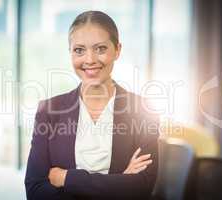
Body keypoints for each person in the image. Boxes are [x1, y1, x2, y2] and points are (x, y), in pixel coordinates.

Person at [25, 10, 159, 200]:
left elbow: (141, 188)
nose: (90, 60)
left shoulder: (143, 110)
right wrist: (118, 182)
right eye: (79, 50)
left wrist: (66, 178)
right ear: (70, 52)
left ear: (117, 50)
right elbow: (35, 190)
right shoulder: (48, 111)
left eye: (100, 49)